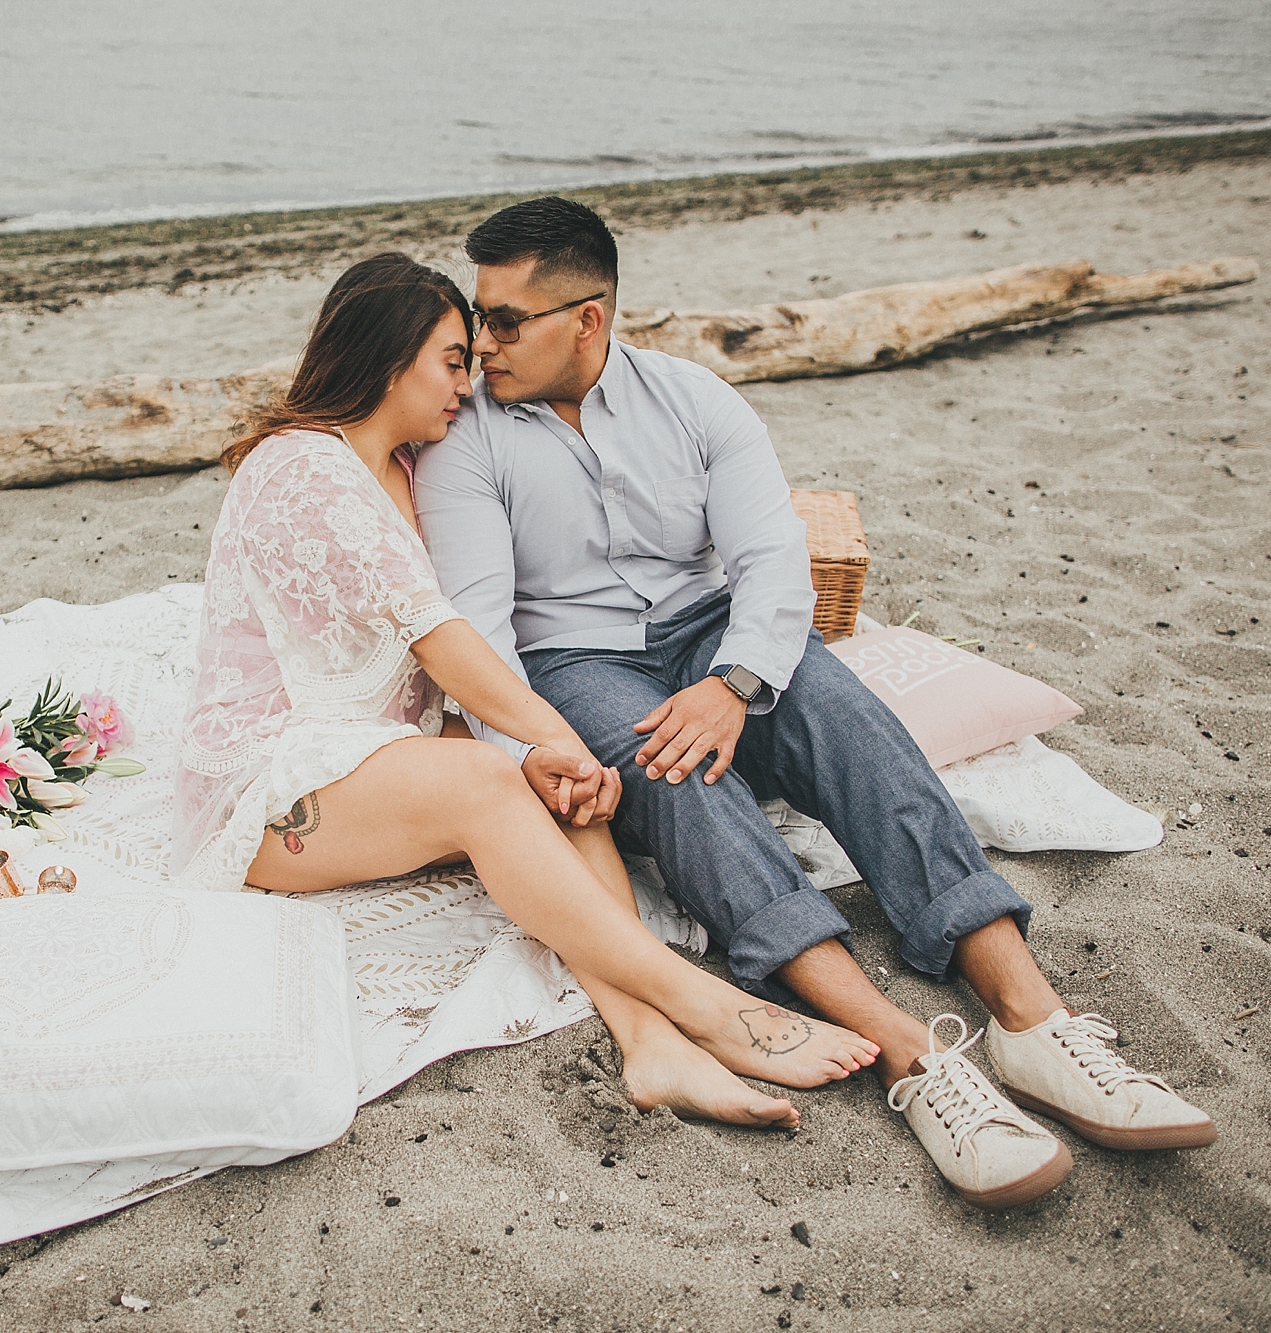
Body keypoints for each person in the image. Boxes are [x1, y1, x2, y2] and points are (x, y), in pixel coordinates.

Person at [413, 196, 1217, 1209]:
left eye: (504, 320)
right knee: (680, 778)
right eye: (479, 317)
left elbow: (770, 562)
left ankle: (1032, 1023)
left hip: (712, 631)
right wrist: (528, 749)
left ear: (589, 316)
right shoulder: (468, 442)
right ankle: (912, 1059)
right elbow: (480, 635)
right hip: (574, 661)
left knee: (848, 717)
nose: (480, 343)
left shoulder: (695, 399)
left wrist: (732, 682)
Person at [173, 252, 885, 1133]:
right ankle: (703, 1006)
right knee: (504, 772)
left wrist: (552, 754)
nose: (467, 383)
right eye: (450, 359)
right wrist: (558, 734)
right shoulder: (299, 467)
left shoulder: (403, 465)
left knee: (557, 788)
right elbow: (441, 639)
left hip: (381, 759)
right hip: (271, 784)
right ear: (388, 358)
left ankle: (647, 1040)